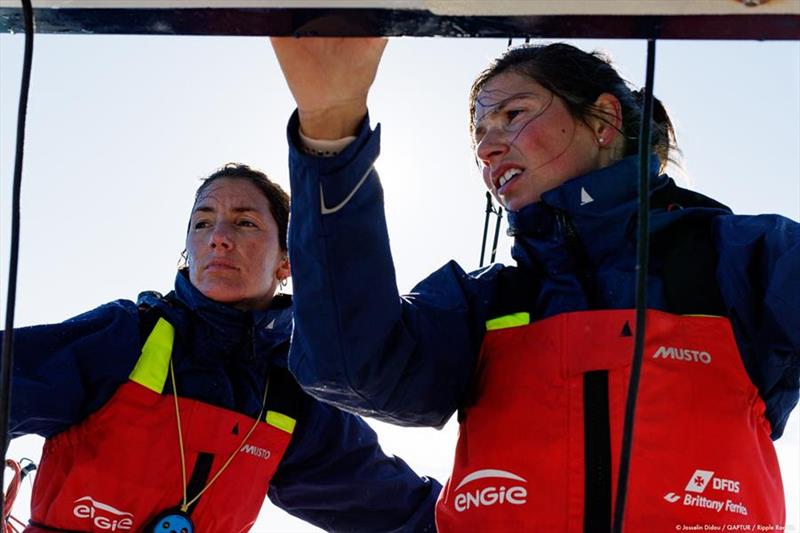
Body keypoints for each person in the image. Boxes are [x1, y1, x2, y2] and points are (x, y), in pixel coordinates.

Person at [272, 38, 799, 532]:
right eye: (479, 135)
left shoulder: (741, 259)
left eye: (512, 116)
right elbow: (350, 366)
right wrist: (331, 131)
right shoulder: (483, 302)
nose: (488, 149)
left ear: (604, 121)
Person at [4, 163, 440, 532]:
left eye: (245, 222)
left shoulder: (291, 390)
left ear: (287, 261)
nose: (218, 237)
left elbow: (391, 505)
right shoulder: (124, 338)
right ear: (188, 250)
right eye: (203, 222)